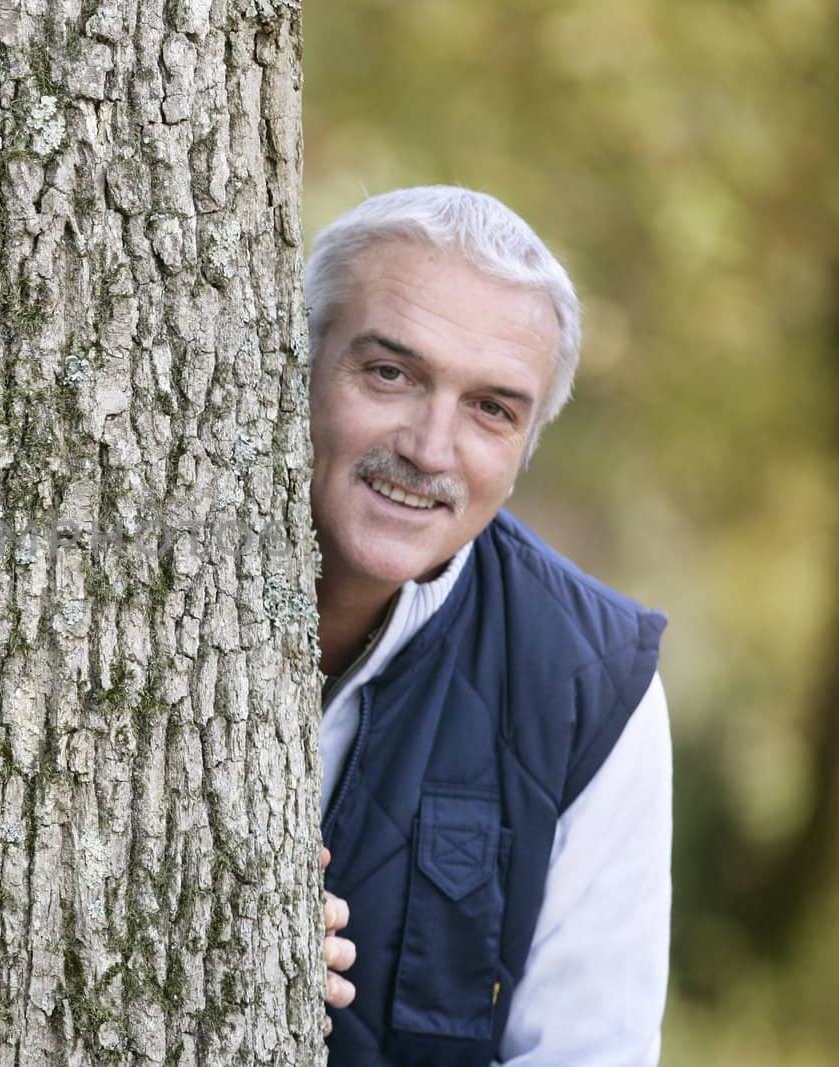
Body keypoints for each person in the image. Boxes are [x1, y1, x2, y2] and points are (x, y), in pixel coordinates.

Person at [305, 186, 670, 1064]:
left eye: (491, 409)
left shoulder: (592, 687)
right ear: (298, 361)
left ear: (525, 447)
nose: (431, 448)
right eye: (390, 373)